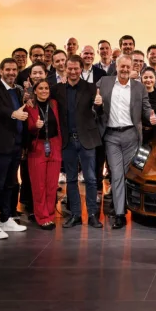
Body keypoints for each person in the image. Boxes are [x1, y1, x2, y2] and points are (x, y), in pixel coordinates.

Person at [95, 55, 152, 229]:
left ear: (132, 67)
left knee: (127, 175)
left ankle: (127, 206)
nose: (125, 69)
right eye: (122, 66)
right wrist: (96, 103)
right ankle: (120, 214)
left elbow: (146, 107)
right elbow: (93, 99)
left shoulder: (139, 87)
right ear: (116, 66)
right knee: (117, 173)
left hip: (131, 136)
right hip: (111, 136)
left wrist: (152, 116)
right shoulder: (104, 82)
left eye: (128, 66)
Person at [53, 55, 103, 229]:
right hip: (67, 141)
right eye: (70, 68)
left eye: (76, 68)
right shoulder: (57, 89)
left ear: (81, 69)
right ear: (65, 69)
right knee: (71, 179)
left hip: (87, 140)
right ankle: (75, 215)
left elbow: (99, 112)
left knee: (91, 179)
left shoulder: (91, 88)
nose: (73, 71)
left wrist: (99, 104)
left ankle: (92, 215)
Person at [0, 58, 29, 239]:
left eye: (14, 70)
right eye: (8, 69)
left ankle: (5, 218)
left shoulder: (17, 91)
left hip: (16, 145)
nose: (11, 73)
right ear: (1, 71)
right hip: (1, 146)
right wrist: (13, 114)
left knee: (10, 183)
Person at [25, 79, 62, 229]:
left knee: (52, 185)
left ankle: (50, 215)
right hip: (37, 147)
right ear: (35, 91)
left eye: (46, 88)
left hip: (54, 145)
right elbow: (27, 129)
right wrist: (35, 126)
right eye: (40, 88)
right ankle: (42, 217)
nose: (44, 91)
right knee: (39, 185)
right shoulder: (29, 106)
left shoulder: (54, 104)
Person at [141, 67, 156, 143]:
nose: (148, 80)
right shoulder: (136, 95)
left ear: (155, 79)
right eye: (145, 77)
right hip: (140, 134)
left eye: (151, 77)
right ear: (141, 79)